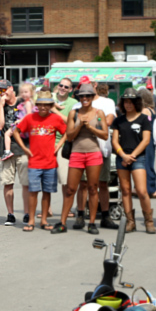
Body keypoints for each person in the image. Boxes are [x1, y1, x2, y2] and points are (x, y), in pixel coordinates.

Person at [52, 84, 108, 235]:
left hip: (93, 153)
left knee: (92, 187)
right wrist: (79, 127)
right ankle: (62, 222)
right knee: (70, 188)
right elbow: (69, 135)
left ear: (92, 97)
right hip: (76, 153)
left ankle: (91, 223)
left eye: (88, 96)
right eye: (82, 96)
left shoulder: (99, 113)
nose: (84, 99)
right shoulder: (74, 113)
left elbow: (105, 135)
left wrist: (90, 128)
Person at [13, 90, 67, 232]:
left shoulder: (56, 119)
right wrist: (25, 149)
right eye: (41, 105)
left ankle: (44, 220)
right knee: (33, 192)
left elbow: (66, 132)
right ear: (37, 105)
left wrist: (58, 146)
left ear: (50, 106)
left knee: (47, 192)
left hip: (50, 162)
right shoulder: (30, 118)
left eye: (47, 105)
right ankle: (31, 220)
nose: (43, 107)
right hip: (34, 162)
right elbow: (16, 131)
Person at [70, 81, 118, 231]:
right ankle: (80, 214)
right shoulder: (76, 108)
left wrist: (94, 121)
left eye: (88, 93)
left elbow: (109, 121)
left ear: (94, 88)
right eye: (82, 93)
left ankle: (105, 215)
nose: (85, 96)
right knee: (83, 185)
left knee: (102, 184)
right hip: (81, 149)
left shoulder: (107, 102)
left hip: (101, 149)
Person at [111, 88, 155, 234]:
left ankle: (149, 221)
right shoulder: (118, 120)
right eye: (125, 102)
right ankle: (130, 221)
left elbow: (146, 140)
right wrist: (123, 155)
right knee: (125, 190)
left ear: (137, 102)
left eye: (131, 102)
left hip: (138, 158)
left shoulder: (144, 119)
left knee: (142, 191)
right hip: (121, 158)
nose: (128, 105)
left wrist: (132, 156)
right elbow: (115, 141)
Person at [0, 79, 30, 226]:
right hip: (7, 151)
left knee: (26, 183)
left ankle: (27, 213)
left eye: (4, 90)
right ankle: (10, 214)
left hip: (23, 148)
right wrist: (1, 106)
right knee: (8, 183)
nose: (3, 93)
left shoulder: (22, 102)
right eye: (0, 91)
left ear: (11, 89)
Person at [52, 77, 77, 221]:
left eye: (66, 87)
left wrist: (54, 110)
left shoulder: (73, 103)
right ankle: (46, 209)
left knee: (65, 179)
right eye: (60, 85)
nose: (62, 88)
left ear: (70, 90)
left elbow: (70, 122)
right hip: (46, 142)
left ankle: (66, 209)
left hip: (64, 144)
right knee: (46, 179)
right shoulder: (50, 97)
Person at [1, 83, 34, 161]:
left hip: (21, 123)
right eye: (22, 92)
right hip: (22, 122)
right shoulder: (27, 102)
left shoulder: (28, 103)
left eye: (26, 92)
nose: (24, 94)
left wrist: (20, 120)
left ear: (31, 93)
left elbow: (29, 115)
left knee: (7, 134)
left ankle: (7, 151)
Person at [137, 88, 156, 199]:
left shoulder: (144, 110)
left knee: (144, 164)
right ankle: (151, 188)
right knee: (149, 163)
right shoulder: (151, 110)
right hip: (150, 139)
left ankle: (149, 189)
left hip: (145, 139)